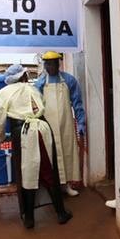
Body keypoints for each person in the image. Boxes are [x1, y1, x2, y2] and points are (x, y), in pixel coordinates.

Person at [0, 64, 72, 229]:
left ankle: (29, 218)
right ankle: (60, 213)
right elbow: (42, 107)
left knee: (26, 172)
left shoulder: (5, 92)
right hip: (42, 129)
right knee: (49, 170)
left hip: (23, 133)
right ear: (24, 76)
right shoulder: (33, 89)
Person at [35, 51, 86, 197]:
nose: (50, 66)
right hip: (47, 125)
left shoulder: (69, 80)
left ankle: (67, 185)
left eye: (53, 63)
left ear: (58, 63)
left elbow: (77, 103)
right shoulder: (40, 83)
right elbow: (36, 106)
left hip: (66, 124)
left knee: (67, 151)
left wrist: (81, 122)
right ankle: (54, 186)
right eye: (47, 64)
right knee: (51, 155)